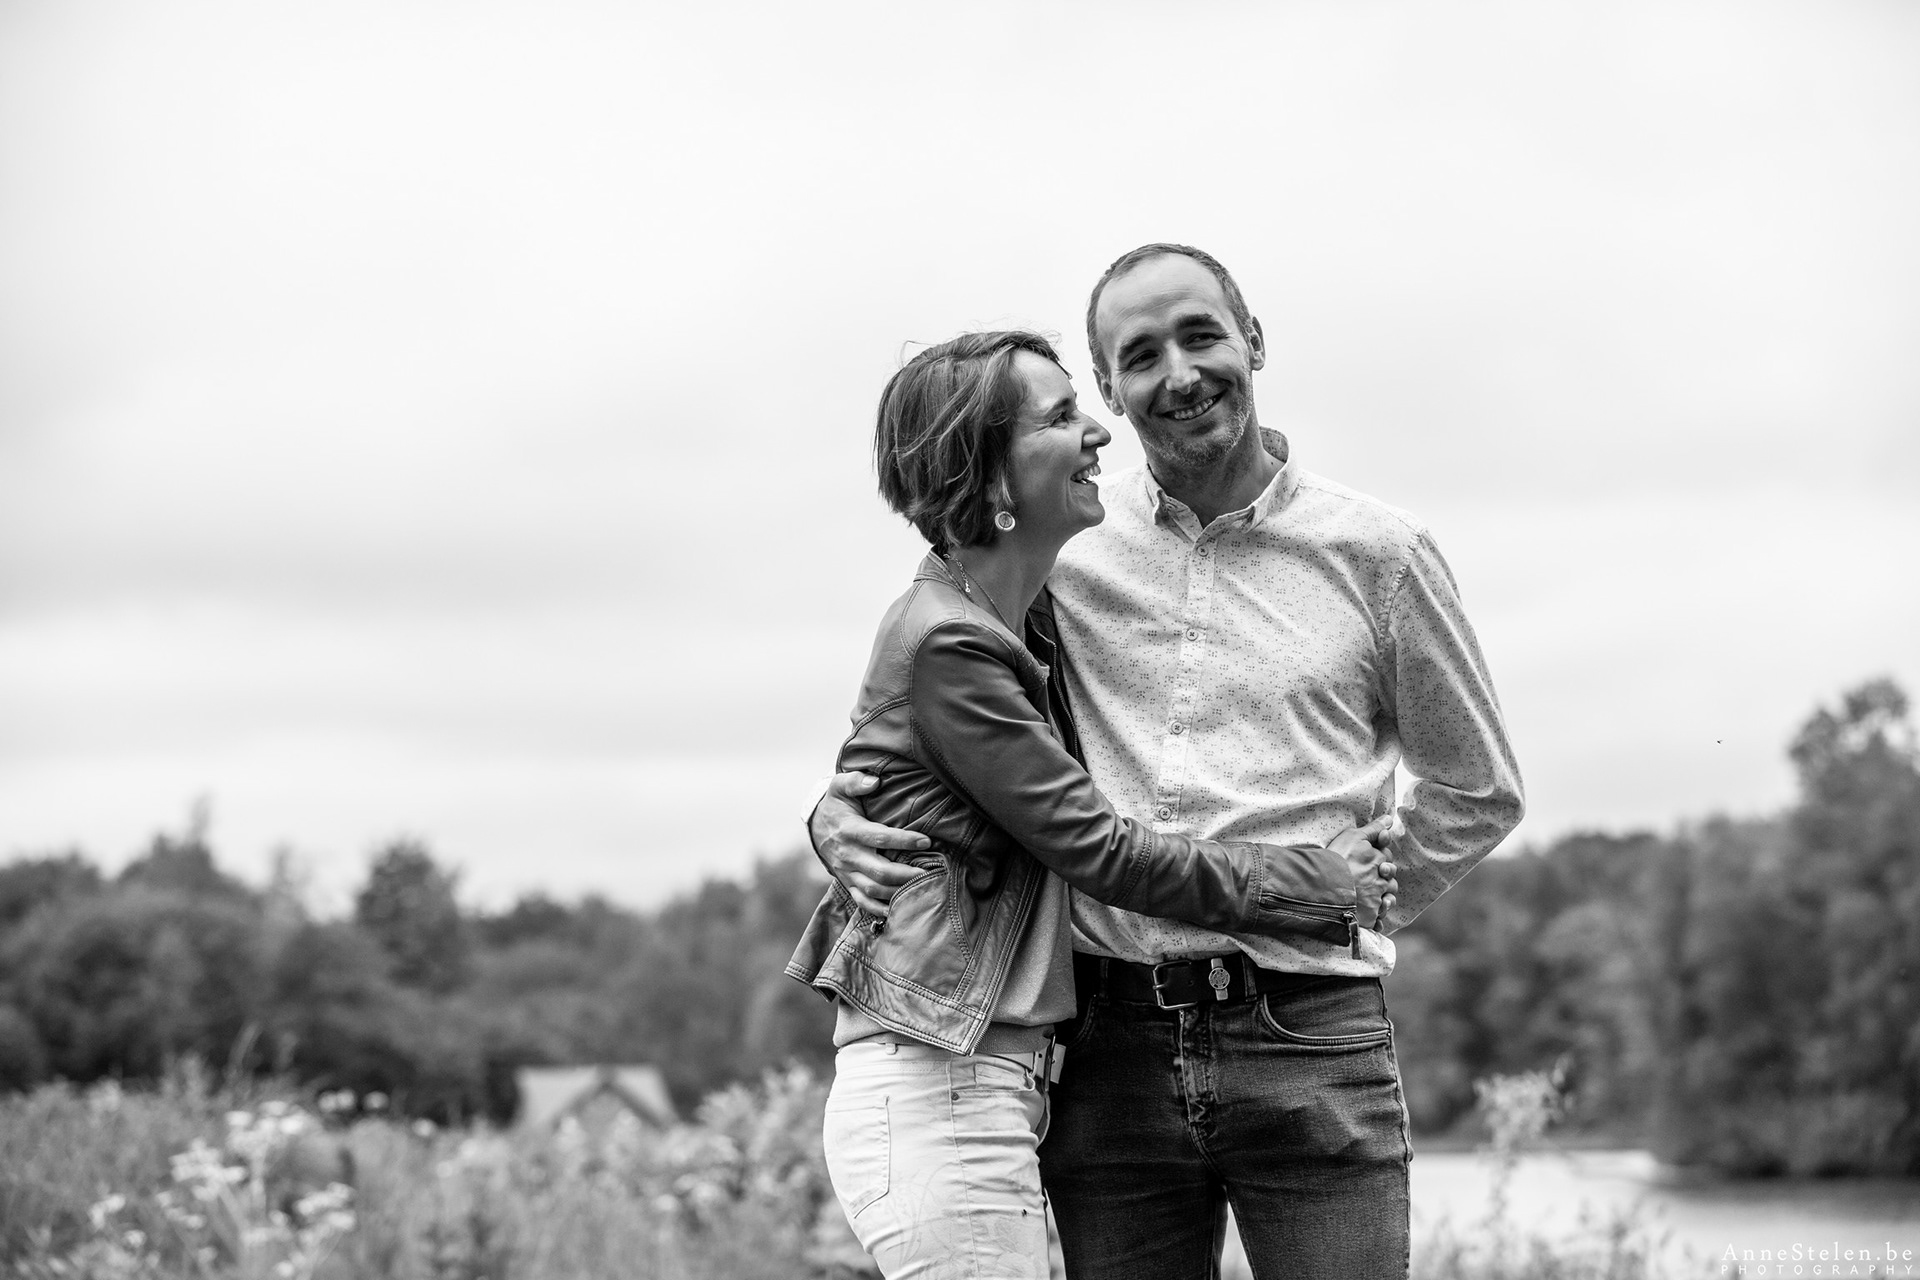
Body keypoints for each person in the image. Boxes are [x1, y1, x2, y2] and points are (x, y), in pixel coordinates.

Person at [811, 246, 1525, 1280]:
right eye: (1141, 355)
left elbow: (1477, 789)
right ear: (1110, 385)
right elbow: (939, 704)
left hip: (1310, 1029)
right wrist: (836, 808)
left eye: (1201, 336)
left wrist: (1357, 903)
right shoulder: (1066, 542)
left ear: (1254, 341)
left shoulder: (1381, 553)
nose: (1180, 374)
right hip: (1108, 1046)